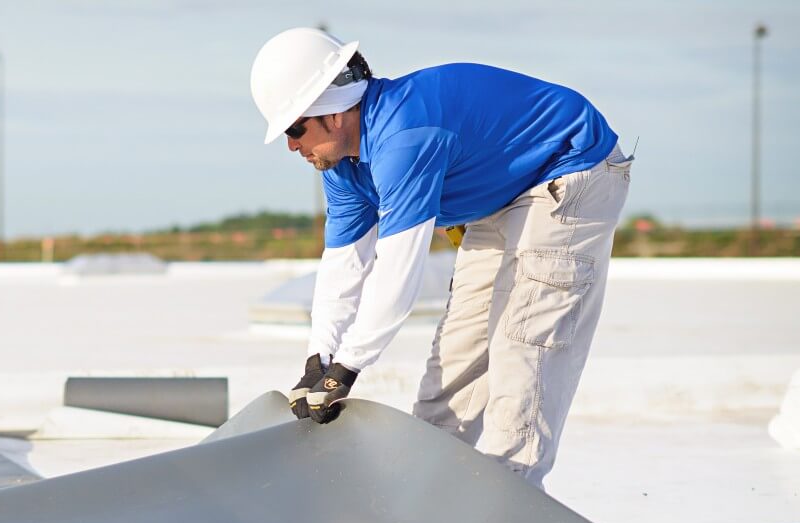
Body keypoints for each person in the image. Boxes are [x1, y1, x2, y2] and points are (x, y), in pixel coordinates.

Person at [250, 27, 632, 487]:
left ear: (332, 114)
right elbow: (344, 267)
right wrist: (320, 357)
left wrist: (348, 367)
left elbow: (397, 272)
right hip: (499, 194)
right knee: (457, 352)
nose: (293, 146)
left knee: (522, 346)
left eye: (295, 129)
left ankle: (509, 513)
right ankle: (424, 496)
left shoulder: (405, 137)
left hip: (567, 169)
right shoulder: (345, 167)